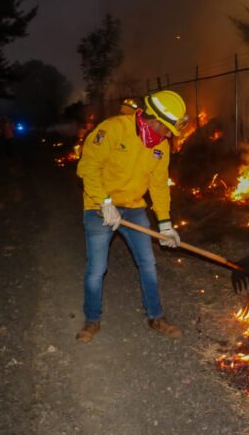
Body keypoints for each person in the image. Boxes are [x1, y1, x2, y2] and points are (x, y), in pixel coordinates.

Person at [76, 90, 189, 343]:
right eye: (167, 128)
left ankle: (156, 317)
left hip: (134, 209)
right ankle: (92, 320)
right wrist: (105, 202)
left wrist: (166, 224)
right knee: (97, 268)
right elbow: (87, 167)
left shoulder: (161, 145)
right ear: (153, 120)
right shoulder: (114, 130)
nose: (169, 134)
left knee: (147, 263)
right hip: (98, 208)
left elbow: (159, 185)